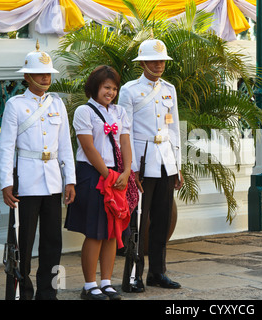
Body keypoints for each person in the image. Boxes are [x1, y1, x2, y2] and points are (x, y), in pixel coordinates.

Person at [0, 42, 76, 300]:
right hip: (26, 183)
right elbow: (7, 147)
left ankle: (49, 292)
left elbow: (65, 145)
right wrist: (6, 183)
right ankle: (20, 292)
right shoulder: (15, 105)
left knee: (53, 243)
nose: (46, 78)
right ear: (27, 76)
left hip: (53, 182)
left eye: (49, 74)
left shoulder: (57, 105)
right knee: (22, 242)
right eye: (41, 74)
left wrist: (70, 181)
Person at [118, 39, 183, 292]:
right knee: (138, 222)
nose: (159, 65)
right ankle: (135, 273)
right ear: (142, 62)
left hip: (165, 161)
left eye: (162, 61)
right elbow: (125, 131)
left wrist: (178, 165)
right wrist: (130, 168)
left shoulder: (169, 89)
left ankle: (158, 272)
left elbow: (174, 128)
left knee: (162, 220)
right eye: (154, 61)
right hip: (142, 163)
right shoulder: (130, 90)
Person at [64, 65, 133, 300]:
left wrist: (126, 172)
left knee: (112, 231)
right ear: (95, 87)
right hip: (93, 175)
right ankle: (89, 285)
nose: (110, 92)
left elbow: (125, 142)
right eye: (106, 87)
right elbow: (88, 146)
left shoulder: (120, 112)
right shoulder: (85, 112)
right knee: (94, 231)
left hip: (116, 175)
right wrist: (108, 175)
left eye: (114, 88)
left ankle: (106, 282)